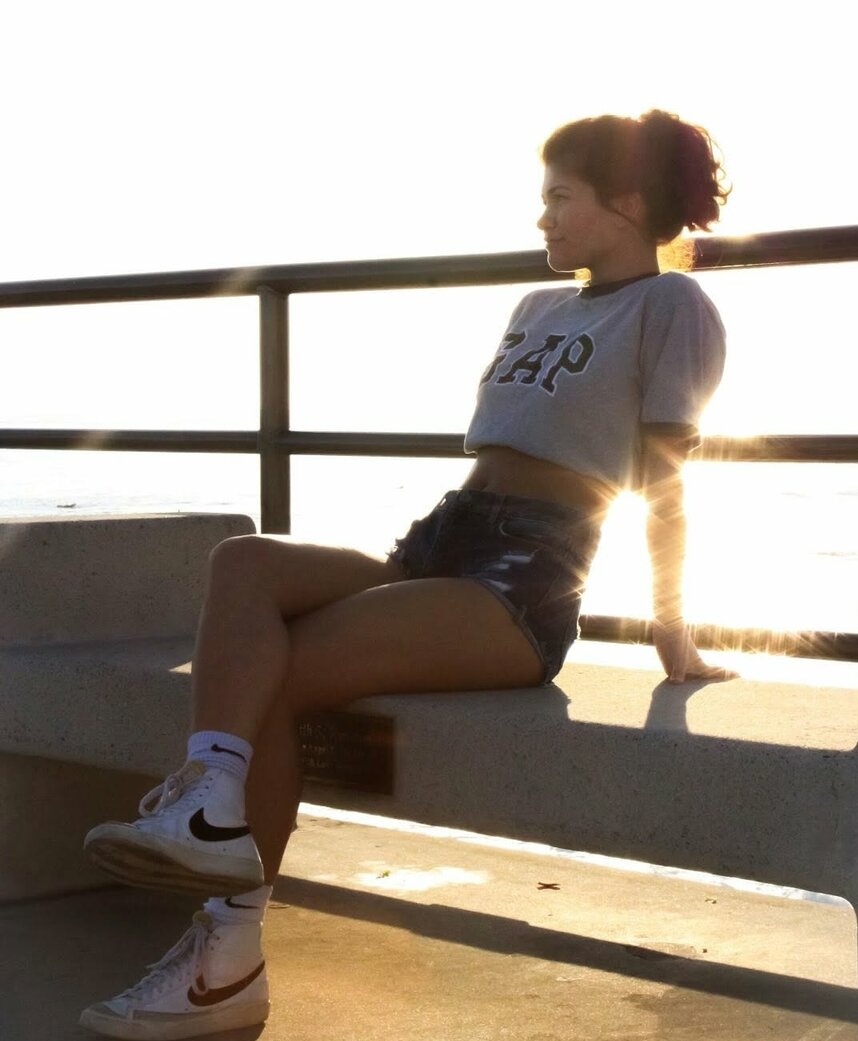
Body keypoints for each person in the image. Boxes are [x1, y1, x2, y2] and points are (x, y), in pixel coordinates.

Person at [79, 108, 736, 1039]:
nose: (542, 217)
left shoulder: (673, 307)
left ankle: (225, 958)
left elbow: (665, 475)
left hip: (523, 581)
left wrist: (672, 623)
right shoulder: (537, 307)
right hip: (440, 542)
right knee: (244, 564)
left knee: (286, 670)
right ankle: (209, 804)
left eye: (561, 197)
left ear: (627, 202)